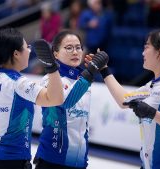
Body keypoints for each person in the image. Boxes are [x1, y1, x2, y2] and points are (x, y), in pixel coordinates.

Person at [86, 29, 160, 169]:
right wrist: (104, 70)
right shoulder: (153, 85)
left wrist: (152, 113)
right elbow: (124, 100)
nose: (143, 53)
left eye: (146, 47)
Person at [0, 27, 64, 169]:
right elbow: (56, 99)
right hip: (13, 161)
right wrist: (52, 67)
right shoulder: (19, 83)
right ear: (16, 53)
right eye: (26, 46)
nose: (29, 50)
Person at [33, 30, 108, 169]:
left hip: (79, 160)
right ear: (55, 54)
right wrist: (89, 73)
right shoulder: (50, 79)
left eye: (78, 47)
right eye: (68, 48)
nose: (75, 52)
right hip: (52, 160)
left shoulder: (83, 80)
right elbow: (66, 102)